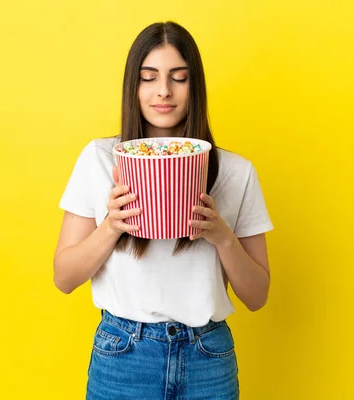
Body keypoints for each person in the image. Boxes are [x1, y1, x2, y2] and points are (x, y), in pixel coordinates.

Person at [54, 21, 273, 400]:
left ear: (195, 87)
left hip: (208, 356)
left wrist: (221, 236)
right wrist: (112, 226)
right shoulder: (99, 159)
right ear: (133, 87)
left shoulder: (237, 172)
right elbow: (64, 277)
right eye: (149, 77)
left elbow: (257, 296)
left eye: (179, 78)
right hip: (124, 355)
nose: (163, 91)